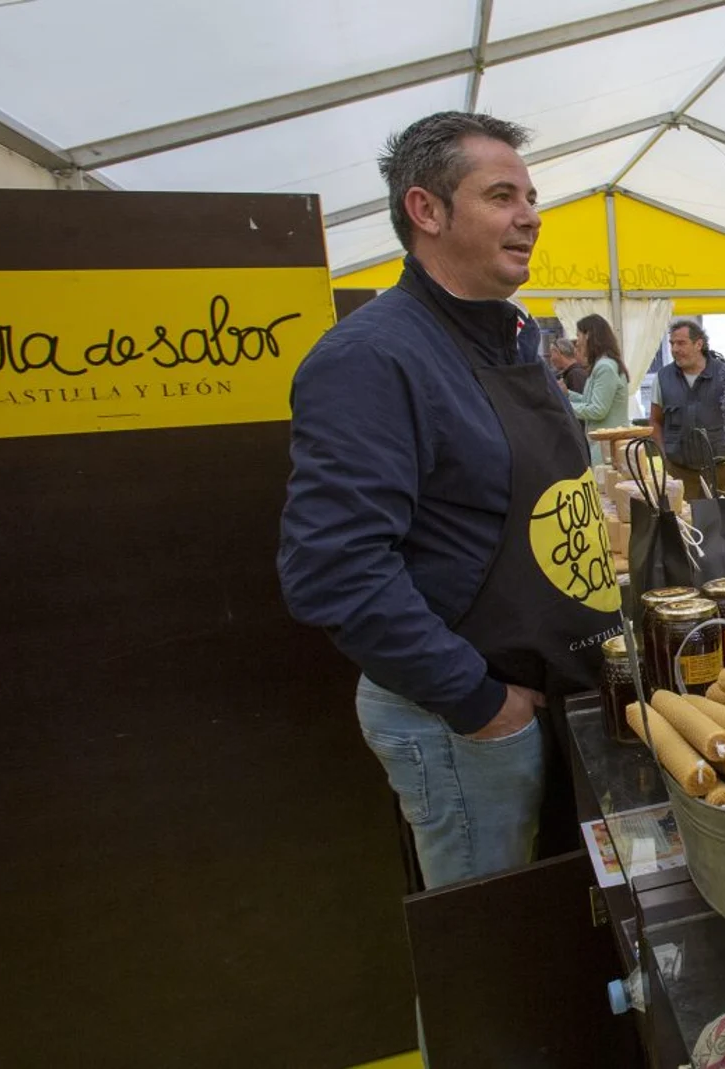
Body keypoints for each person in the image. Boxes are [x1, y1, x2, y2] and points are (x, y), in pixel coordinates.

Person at [279, 112, 624, 889]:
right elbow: (332, 568)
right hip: (468, 723)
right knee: (488, 949)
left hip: (544, 695)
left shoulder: (509, 338)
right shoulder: (372, 358)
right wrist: (476, 700)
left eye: (531, 196)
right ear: (426, 211)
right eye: (502, 195)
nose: (530, 215)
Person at [650, 318, 725, 499]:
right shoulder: (662, 378)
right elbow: (655, 421)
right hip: (681, 474)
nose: (675, 349)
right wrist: (665, 458)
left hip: (723, 471)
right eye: (672, 343)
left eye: (681, 343)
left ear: (699, 344)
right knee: (685, 525)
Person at [566, 313, 630, 446]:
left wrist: (564, 405)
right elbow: (590, 401)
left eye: (578, 336)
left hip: (607, 446)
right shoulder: (604, 364)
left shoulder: (604, 366)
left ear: (588, 335)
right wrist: (567, 394)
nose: (577, 342)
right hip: (606, 445)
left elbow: (597, 410)